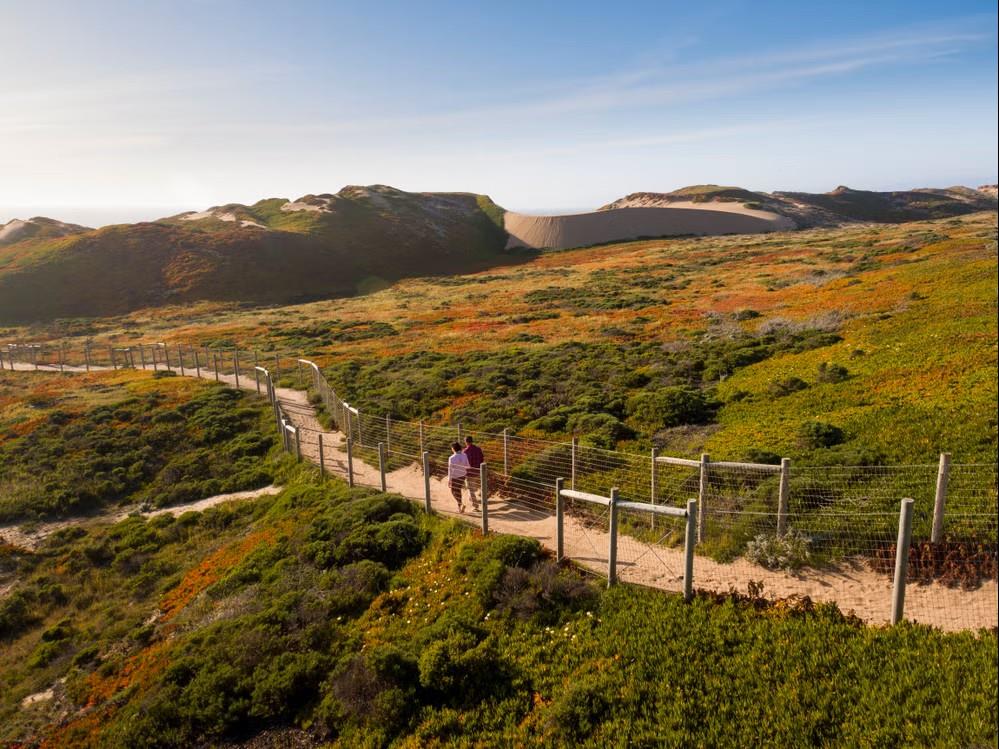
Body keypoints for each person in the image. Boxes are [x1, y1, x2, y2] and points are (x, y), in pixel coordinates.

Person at [447, 441, 470, 512]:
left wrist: (449, 480)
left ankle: (460, 504)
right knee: (458, 490)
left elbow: (450, 470)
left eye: (451, 448)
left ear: (453, 448)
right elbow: (468, 466)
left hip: (455, 476)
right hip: (463, 475)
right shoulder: (464, 455)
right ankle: (460, 507)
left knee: (453, 491)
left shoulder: (451, 458)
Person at [463, 435, 484, 510]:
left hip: (469, 473)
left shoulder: (465, 451)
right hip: (479, 471)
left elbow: (464, 463)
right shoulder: (478, 449)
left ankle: (475, 506)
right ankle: (479, 499)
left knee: (470, 489)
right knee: (477, 487)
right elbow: (482, 459)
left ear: (466, 442)